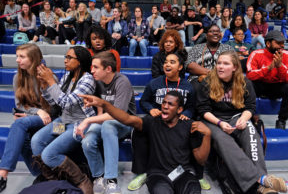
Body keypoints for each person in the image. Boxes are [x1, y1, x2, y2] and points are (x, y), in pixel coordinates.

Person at [79, 90, 211, 194]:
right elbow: (126, 119)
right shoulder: (152, 121)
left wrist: (207, 135)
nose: (165, 106)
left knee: (193, 190)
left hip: (183, 173)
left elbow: (201, 160)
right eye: (164, 102)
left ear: (180, 109)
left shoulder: (189, 125)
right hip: (158, 175)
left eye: (170, 104)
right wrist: (104, 104)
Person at [195, 50, 288, 194]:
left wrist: (243, 119)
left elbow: (250, 107)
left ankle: (263, 185)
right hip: (213, 119)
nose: (220, 66)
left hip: (236, 116)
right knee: (222, 139)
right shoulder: (207, 81)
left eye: (225, 64)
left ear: (235, 68)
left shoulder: (245, 83)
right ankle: (262, 180)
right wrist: (219, 123)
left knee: (250, 132)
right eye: (219, 63)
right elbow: (203, 110)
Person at [31, 46, 96, 194]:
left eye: (69, 57)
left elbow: (66, 102)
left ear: (79, 61)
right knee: (36, 141)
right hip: (63, 122)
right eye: (65, 57)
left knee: (49, 155)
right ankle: (54, 180)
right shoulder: (68, 76)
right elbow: (55, 102)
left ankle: (82, 180)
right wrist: (44, 85)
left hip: (80, 124)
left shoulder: (88, 80)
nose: (65, 60)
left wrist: (51, 81)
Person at [127, 52, 195, 191]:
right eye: (165, 62)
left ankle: (195, 173)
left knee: (196, 131)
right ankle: (143, 172)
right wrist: (151, 109)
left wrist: (186, 114)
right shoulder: (154, 83)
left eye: (172, 62)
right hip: (157, 121)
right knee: (139, 130)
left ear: (180, 67)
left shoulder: (187, 86)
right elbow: (144, 101)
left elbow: (192, 107)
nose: (167, 64)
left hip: (178, 121)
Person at [75, 51, 136, 194]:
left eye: (95, 67)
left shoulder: (122, 81)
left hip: (125, 122)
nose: (91, 71)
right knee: (87, 141)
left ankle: (111, 180)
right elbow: (99, 103)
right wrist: (97, 116)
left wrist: (89, 120)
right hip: (106, 121)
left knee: (108, 126)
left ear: (108, 69)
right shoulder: (98, 82)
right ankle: (99, 176)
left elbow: (118, 115)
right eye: (91, 67)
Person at [0, 44, 52, 193]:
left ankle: (3, 173)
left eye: (22, 57)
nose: (17, 60)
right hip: (33, 119)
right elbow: (20, 106)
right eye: (17, 56)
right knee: (20, 131)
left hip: (55, 122)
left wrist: (38, 112)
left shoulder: (48, 76)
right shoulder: (17, 77)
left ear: (33, 59)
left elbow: (55, 109)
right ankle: (41, 175)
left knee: (19, 124)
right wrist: (37, 112)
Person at [246, 30, 288, 129]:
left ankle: (282, 121)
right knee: (247, 83)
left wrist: (280, 66)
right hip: (260, 85)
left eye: (283, 43)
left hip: (277, 86)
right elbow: (250, 75)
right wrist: (269, 68)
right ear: (268, 43)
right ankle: (250, 117)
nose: (282, 46)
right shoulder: (256, 54)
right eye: (278, 43)